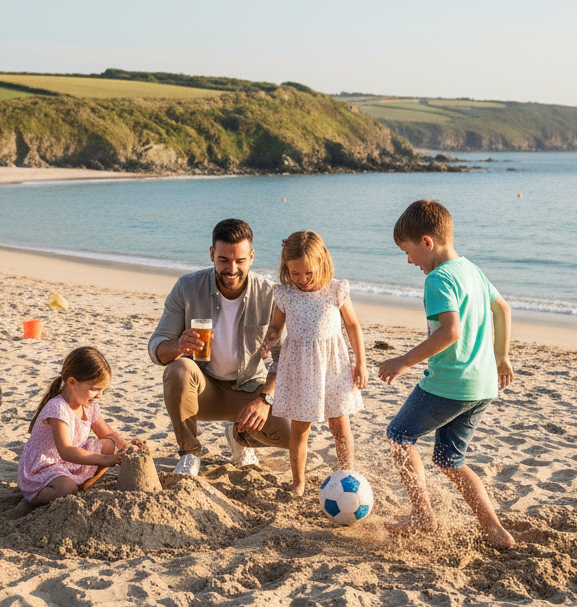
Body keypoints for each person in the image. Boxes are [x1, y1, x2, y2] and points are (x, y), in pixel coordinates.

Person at [378, 199, 515, 549]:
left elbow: (450, 332)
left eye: (407, 251)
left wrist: (403, 362)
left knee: (399, 435)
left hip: (450, 383)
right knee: (449, 459)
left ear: (427, 242)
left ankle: (422, 515)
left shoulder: (438, 279)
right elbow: (503, 309)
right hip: (482, 385)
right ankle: (495, 530)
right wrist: (501, 358)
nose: (409, 261)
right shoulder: (471, 269)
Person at [149, 218, 289, 476]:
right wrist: (179, 345)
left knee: (289, 434)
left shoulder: (270, 294)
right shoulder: (187, 287)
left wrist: (265, 399)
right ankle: (190, 453)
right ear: (212, 254)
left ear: (252, 257)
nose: (232, 269)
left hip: (249, 391)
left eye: (240, 260)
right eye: (224, 260)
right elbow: (156, 346)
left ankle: (240, 437)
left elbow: (285, 357)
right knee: (178, 369)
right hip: (204, 390)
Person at [261, 231, 367, 495]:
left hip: (334, 365)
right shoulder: (285, 295)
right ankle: (298, 483)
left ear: (323, 262)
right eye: (295, 273)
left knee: (340, 425)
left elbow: (352, 326)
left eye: (308, 273)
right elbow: (276, 326)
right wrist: (270, 338)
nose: (302, 280)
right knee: (299, 428)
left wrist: (360, 363)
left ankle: (348, 475)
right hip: (300, 368)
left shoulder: (336, 290)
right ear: (286, 268)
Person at [16, 347, 132, 512]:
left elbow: (108, 434)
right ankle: (33, 497)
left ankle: (83, 486)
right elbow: (66, 451)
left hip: (68, 463)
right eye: (95, 389)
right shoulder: (58, 408)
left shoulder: (88, 406)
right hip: (45, 465)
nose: (99, 395)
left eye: (102, 390)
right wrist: (107, 460)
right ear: (72, 383)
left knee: (109, 445)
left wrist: (127, 447)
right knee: (66, 488)